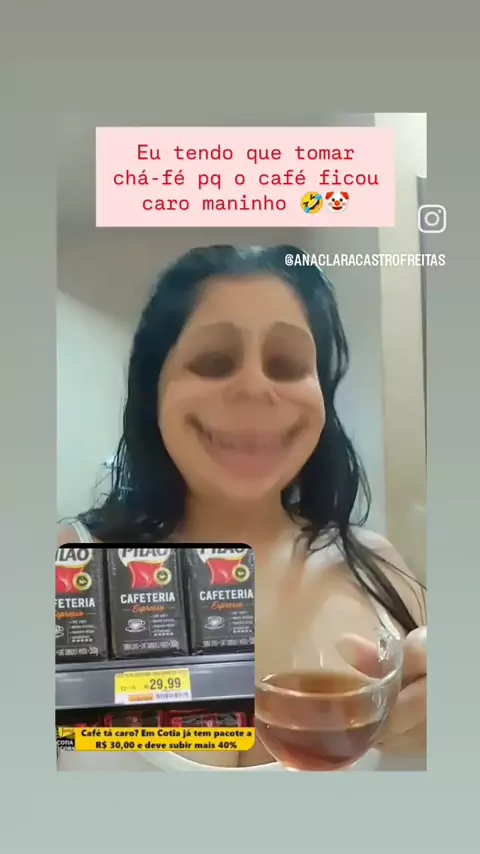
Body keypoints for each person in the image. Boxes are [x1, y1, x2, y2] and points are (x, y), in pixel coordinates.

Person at [58, 244, 427, 772]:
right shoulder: (66, 566)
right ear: (154, 392)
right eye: (214, 363)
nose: (254, 387)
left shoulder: (380, 571)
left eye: (286, 365)